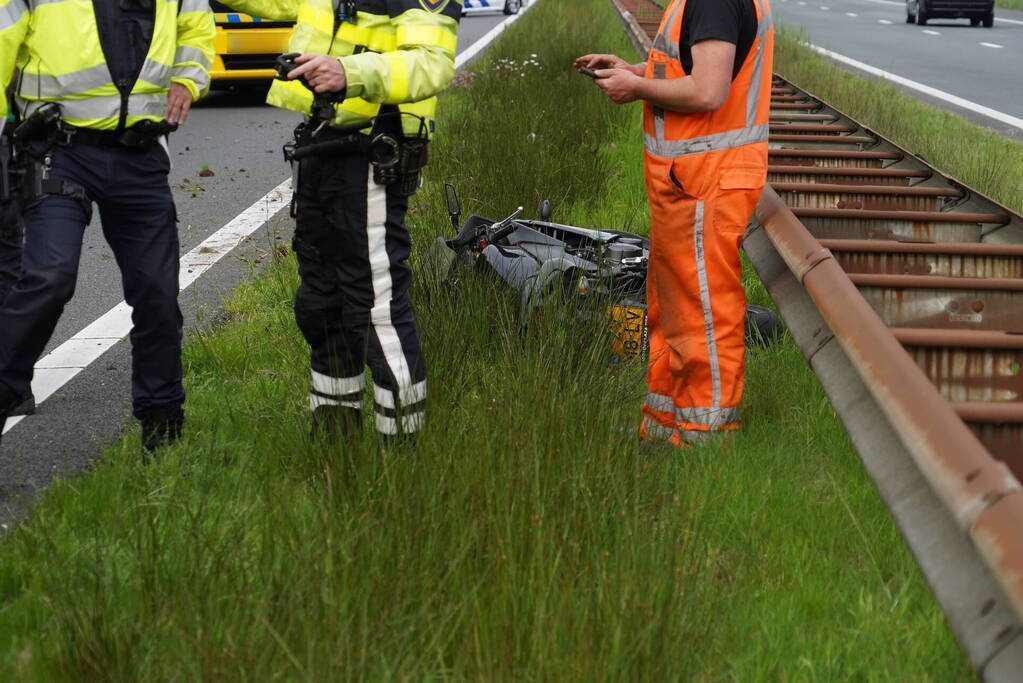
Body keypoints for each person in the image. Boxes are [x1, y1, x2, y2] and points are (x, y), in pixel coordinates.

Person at [222, 0, 461, 442]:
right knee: (321, 302)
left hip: (369, 156)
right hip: (321, 146)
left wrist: (349, 72)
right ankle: (335, 440)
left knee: (375, 309)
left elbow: (432, 64)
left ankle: (405, 449)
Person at [0, 0, 216, 451]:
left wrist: (185, 79)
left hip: (141, 153)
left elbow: (196, 26)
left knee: (157, 294)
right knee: (49, 278)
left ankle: (163, 435)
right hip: (58, 147)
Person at [575, 0, 773, 447]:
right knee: (673, 306)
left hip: (706, 178)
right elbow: (689, 63)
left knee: (702, 311)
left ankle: (705, 433)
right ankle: (666, 424)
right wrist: (635, 70)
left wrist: (637, 88)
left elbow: (707, 91)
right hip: (688, 179)